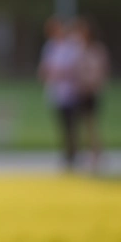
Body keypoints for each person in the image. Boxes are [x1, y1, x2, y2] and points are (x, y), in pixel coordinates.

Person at [38, 18, 85, 169]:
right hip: (56, 92)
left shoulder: (71, 46)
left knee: (72, 124)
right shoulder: (50, 47)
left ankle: (74, 153)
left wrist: (60, 73)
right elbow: (44, 68)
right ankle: (67, 152)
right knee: (62, 125)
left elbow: (75, 68)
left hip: (71, 92)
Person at [73, 19, 109, 174]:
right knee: (83, 125)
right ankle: (89, 154)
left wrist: (91, 85)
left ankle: (96, 154)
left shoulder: (97, 50)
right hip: (81, 90)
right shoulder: (80, 49)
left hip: (91, 91)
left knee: (91, 124)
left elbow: (100, 71)